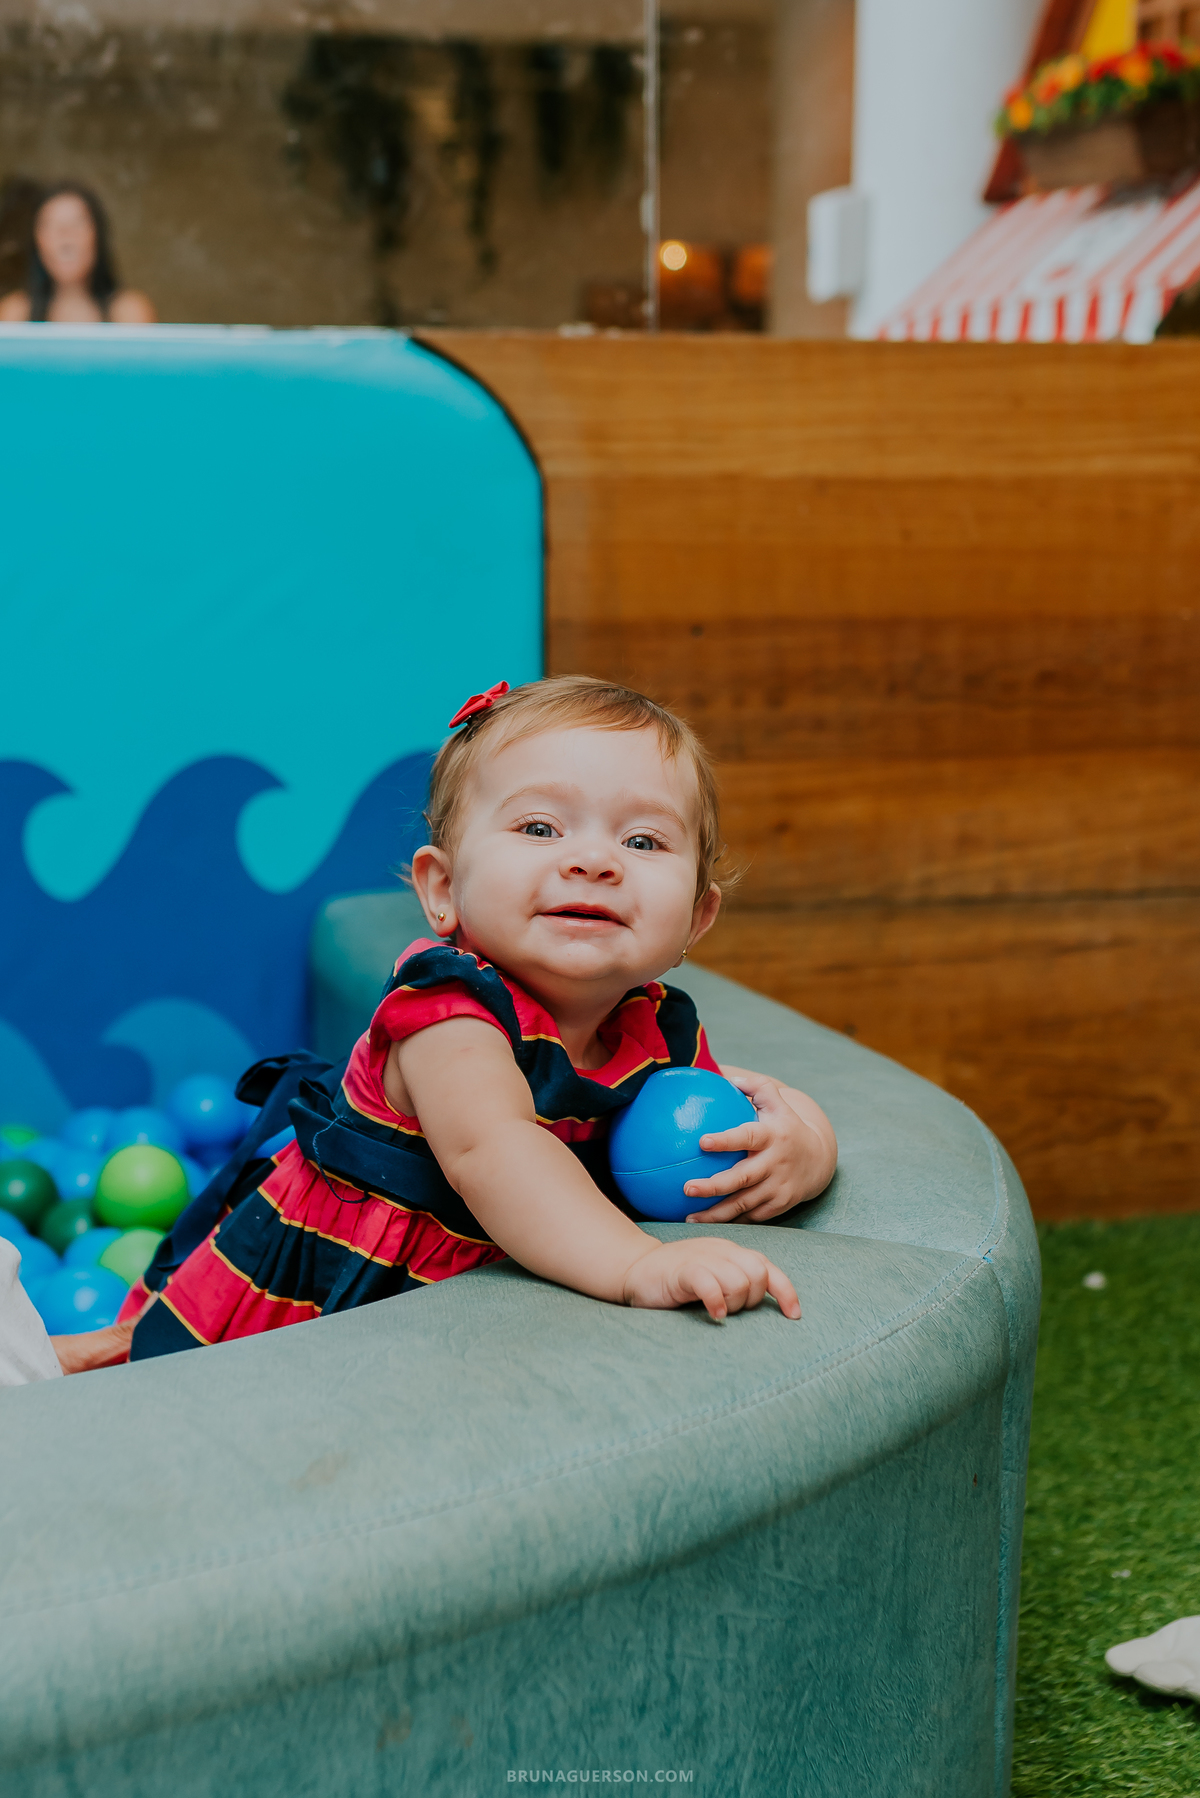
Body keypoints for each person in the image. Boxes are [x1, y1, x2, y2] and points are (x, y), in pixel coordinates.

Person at [76, 677, 838, 1370]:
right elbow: (493, 1151)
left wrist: (805, 1148)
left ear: (696, 920)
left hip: (443, 1315)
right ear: (442, 890)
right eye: (541, 828)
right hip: (309, 1296)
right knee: (147, 1382)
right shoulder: (448, 1010)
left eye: (643, 841)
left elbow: (729, 1105)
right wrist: (637, 1265)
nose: (595, 860)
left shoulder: (655, 1026)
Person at [0, 183, 155, 324]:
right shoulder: (15, 313)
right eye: (51, 225)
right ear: (37, 242)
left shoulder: (129, 311)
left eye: (78, 223)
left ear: (97, 238)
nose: (65, 234)